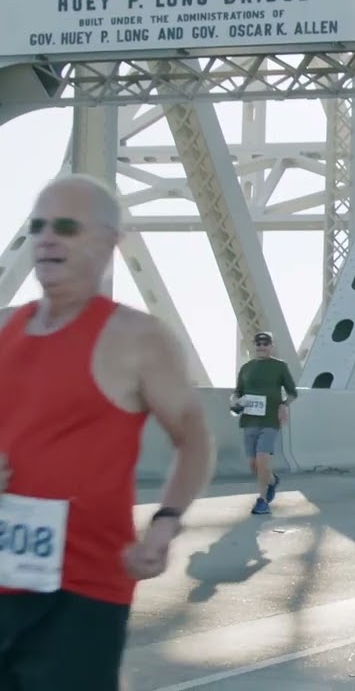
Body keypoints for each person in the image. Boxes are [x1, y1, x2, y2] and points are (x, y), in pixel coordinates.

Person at [0, 175, 214, 690]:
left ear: (109, 243)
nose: (47, 238)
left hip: (85, 589)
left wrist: (165, 523)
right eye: (38, 227)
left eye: (67, 228)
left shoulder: (137, 339)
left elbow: (195, 441)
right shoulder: (3, 328)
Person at [230, 331, 298, 516]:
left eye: (265, 344)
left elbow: (292, 392)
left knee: (262, 460)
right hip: (249, 421)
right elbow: (237, 392)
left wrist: (284, 405)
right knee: (254, 465)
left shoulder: (280, 366)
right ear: (254, 346)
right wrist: (235, 401)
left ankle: (262, 501)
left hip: (270, 421)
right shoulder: (246, 368)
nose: (261, 347)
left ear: (271, 346)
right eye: (258, 344)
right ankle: (272, 480)